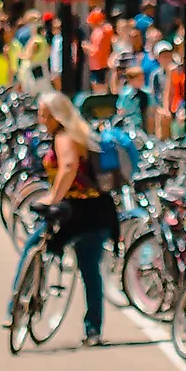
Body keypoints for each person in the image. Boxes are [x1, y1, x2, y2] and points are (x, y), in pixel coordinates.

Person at [33, 89, 114, 347]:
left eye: (44, 115)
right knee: (90, 270)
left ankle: (18, 302)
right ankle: (93, 330)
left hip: (76, 210)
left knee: (33, 244)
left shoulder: (64, 137)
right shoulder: (82, 131)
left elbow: (68, 167)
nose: (41, 120)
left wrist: (52, 199)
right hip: (100, 208)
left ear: (56, 116)